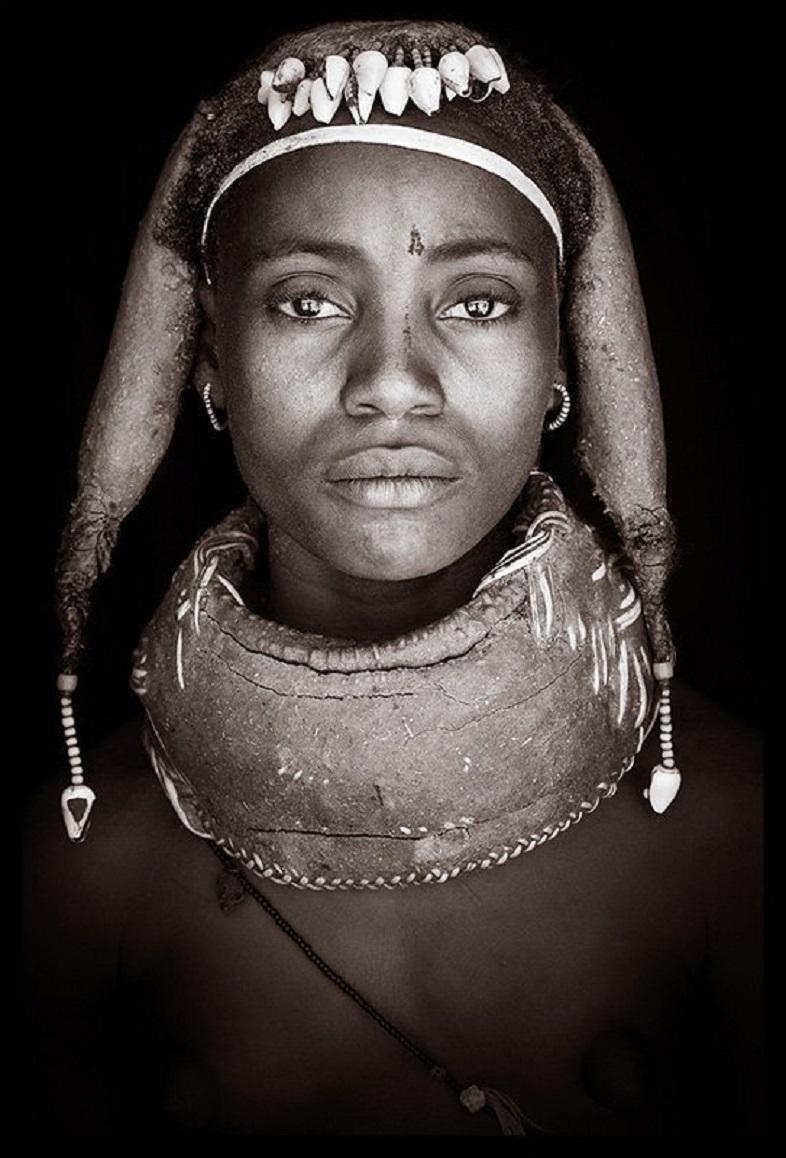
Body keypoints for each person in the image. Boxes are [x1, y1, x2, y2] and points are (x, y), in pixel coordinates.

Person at [25, 17, 763, 1136]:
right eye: (308, 301)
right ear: (209, 358)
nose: (392, 383)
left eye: (477, 302)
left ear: (560, 353)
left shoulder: (729, 834)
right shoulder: (94, 869)